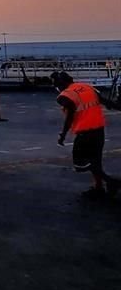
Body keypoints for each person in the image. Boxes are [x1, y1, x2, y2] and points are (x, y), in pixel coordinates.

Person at [53, 71, 119, 199]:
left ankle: (111, 181)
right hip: (99, 129)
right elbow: (106, 102)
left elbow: (70, 116)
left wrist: (63, 134)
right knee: (95, 159)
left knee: (80, 162)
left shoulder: (64, 96)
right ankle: (98, 187)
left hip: (85, 132)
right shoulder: (88, 87)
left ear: (60, 85)